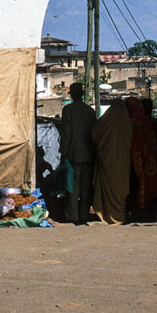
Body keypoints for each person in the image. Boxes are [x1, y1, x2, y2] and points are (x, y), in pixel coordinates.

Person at [90, 100, 133, 224]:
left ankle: (108, 215)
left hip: (107, 163)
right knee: (122, 189)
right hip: (123, 164)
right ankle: (119, 216)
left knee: (109, 189)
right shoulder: (128, 124)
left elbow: (94, 133)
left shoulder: (104, 123)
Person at [58, 83, 96, 223]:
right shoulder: (90, 111)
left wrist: (64, 152)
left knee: (73, 187)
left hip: (73, 155)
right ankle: (84, 215)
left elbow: (66, 134)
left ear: (72, 94)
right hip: (88, 154)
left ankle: (73, 215)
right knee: (85, 188)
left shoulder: (68, 110)